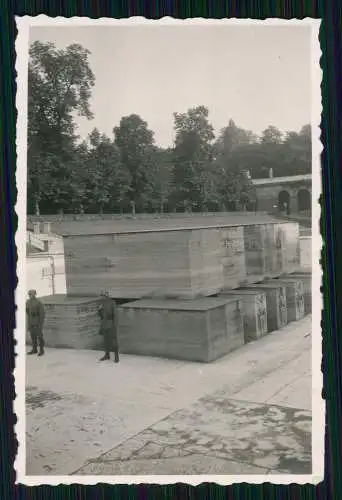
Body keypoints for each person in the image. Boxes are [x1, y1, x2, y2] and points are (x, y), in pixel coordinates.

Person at [98, 290, 119, 363]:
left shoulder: (112, 302)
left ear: (106, 296)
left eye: (103, 296)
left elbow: (115, 315)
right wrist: (99, 310)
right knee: (106, 341)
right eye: (101, 296)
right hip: (104, 325)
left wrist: (114, 325)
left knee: (113, 341)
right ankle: (107, 355)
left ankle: (116, 356)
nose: (101, 297)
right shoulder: (101, 304)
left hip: (111, 325)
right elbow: (101, 316)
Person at [26, 289, 45, 356]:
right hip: (31, 322)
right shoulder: (27, 302)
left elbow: (42, 314)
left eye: (32, 294)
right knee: (33, 336)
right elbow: (27, 312)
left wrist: (40, 324)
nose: (30, 295)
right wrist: (28, 324)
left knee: (40, 337)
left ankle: (42, 350)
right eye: (29, 294)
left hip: (37, 322)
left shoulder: (39, 302)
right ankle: (34, 349)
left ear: (35, 294)